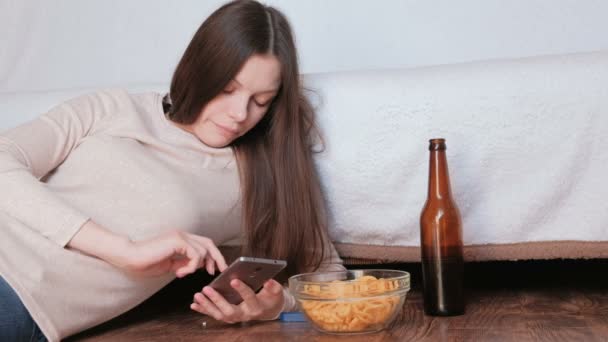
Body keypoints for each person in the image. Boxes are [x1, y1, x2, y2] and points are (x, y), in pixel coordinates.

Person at [0, 1, 344, 340]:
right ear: (200, 70)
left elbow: (329, 275)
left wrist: (276, 305)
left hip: (23, 301)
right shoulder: (113, 107)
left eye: (261, 101)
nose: (240, 113)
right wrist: (123, 250)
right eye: (228, 89)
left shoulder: (259, 177)